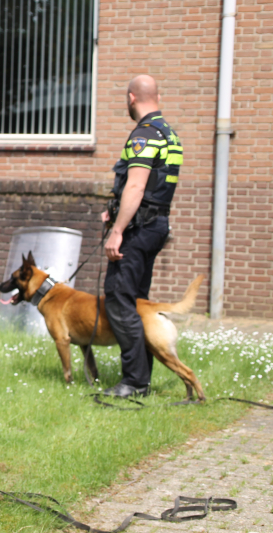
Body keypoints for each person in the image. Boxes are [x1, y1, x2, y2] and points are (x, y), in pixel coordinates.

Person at [101, 75, 183, 398]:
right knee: (137, 300)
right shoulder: (169, 134)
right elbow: (154, 188)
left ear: (131, 98)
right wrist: (115, 210)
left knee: (118, 298)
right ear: (157, 97)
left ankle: (134, 381)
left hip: (139, 230)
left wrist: (117, 230)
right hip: (156, 226)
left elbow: (136, 185)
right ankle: (142, 378)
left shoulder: (144, 135)